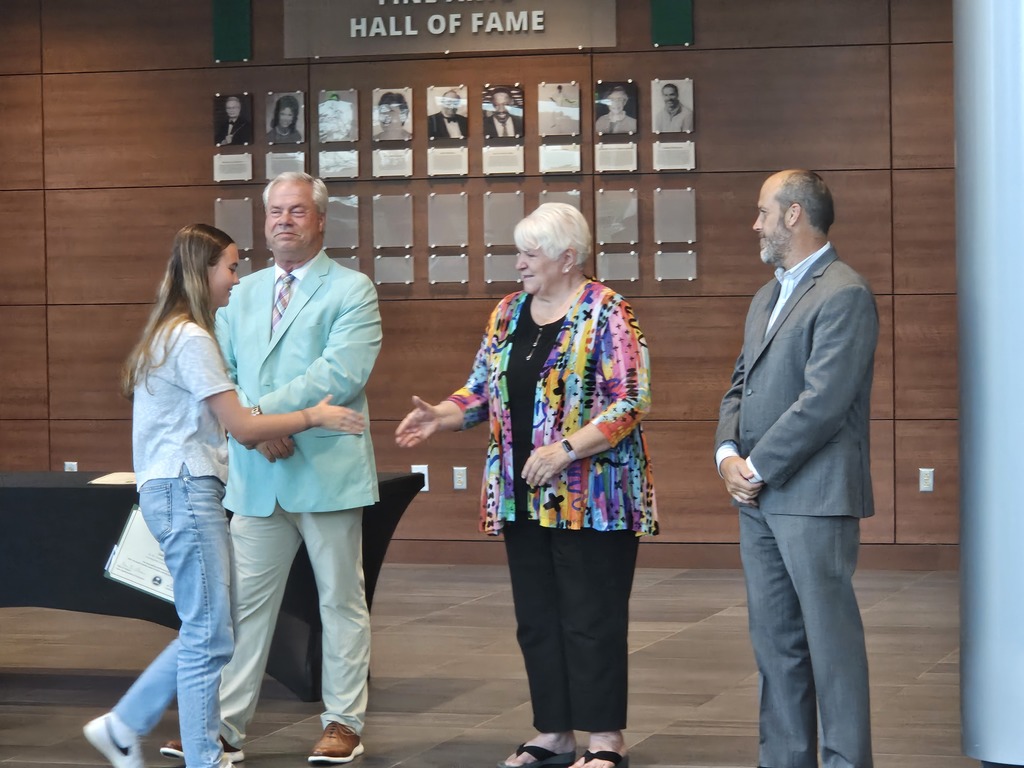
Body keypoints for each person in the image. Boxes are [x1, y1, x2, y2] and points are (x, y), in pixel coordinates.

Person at [82, 224, 365, 768]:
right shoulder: (190, 338)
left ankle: (127, 724)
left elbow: (234, 421)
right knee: (209, 636)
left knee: (208, 630)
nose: (237, 279)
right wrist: (314, 415)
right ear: (203, 271)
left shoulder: (170, 332)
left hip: (175, 490)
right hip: (187, 490)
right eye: (230, 268)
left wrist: (265, 423)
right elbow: (241, 424)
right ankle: (193, 753)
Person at [395, 203, 656, 768]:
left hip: (594, 496)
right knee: (537, 618)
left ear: (568, 257)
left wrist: (566, 449)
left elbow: (631, 400)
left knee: (591, 617)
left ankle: (605, 739)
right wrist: (441, 415)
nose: (518, 264)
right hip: (521, 493)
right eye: (518, 253)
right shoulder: (508, 312)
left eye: (529, 254)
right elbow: (480, 390)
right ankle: (554, 732)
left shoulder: (607, 310)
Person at [158, 172, 382, 765]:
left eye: (297, 211)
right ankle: (224, 729)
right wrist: (256, 430)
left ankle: (343, 723)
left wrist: (259, 419)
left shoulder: (352, 289)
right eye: (275, 211)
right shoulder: (242, 291)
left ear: (320, 220)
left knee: (340, 602)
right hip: (258, 472)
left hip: (327, 471)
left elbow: (340, 374)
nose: (284, 220)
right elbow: (220, 369)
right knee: (241, 609)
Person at [714, 170, 877, 768]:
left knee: (831, 650)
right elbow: (740, 384)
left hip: (814, 499)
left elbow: (824, 402)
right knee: (776, 647)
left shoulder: (845, 293)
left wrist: (755, 465)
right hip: (757, 499)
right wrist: (727, 454)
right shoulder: (767, 295)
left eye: (763, 212)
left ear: (793, 215)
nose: (754, 224)